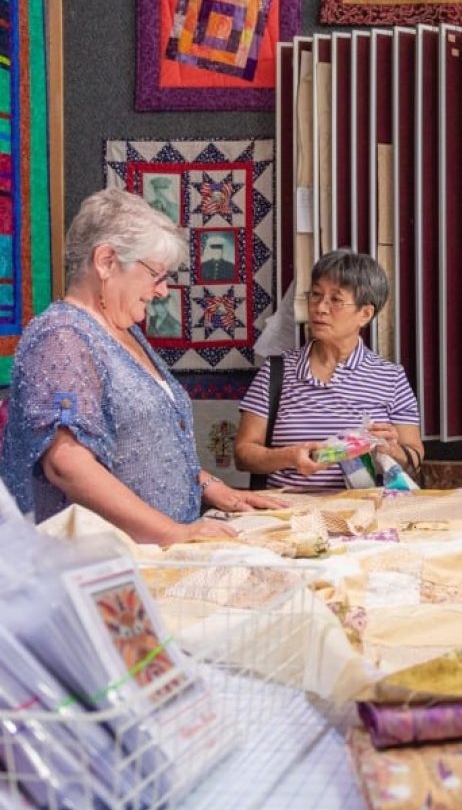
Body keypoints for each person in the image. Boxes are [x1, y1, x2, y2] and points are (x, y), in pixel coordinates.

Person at [0, 188, 284, 544]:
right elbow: (67, 463)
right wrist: (172, 533)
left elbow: (144, 443)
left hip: (151, 553)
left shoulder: (125, 330)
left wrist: (209, 486)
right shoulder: (62, 337)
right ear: (106, 261)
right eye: (156, 274)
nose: (162, 290)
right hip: (95, 566)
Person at [234, 250, 423, 490]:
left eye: (335, 299)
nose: (320, 308)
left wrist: (393, 451)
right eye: (315, 295)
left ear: (364, 314)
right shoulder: (276, 372)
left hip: (365, 515)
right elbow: (242, 454)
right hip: (288, 514)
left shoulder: (391, 377)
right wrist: (290, 456)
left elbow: (415, 457)